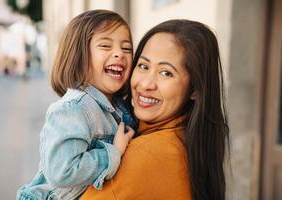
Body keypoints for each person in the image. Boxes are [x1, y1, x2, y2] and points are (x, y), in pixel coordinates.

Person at [80, 19, 230, 200]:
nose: (145, 84)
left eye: (166, 72)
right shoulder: (192, 138)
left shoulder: (147, 154)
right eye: (143, 66)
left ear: (195, 89)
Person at [17, 9, 137, 200]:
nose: (119, 54)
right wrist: (113, 153)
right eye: (106, 45)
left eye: (127, 48)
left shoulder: (120, 107)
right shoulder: (73, 108)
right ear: (79, 56)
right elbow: (62, 171)